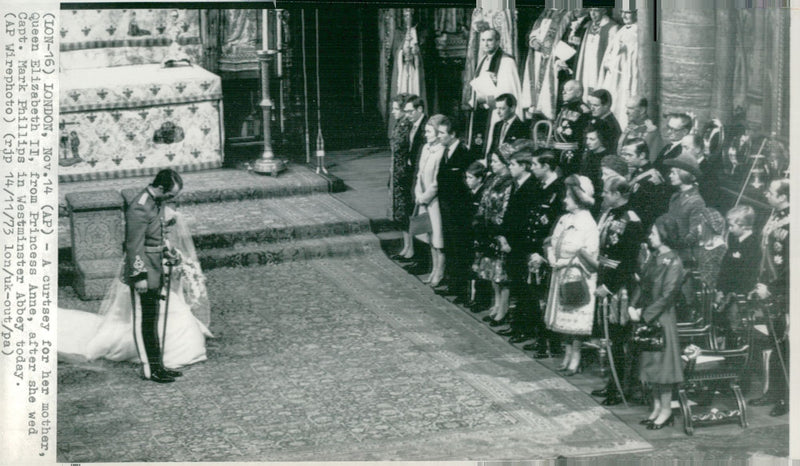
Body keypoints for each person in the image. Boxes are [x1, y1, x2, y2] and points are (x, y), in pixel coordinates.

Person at [58, 204, 212, 373]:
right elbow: (131, 276)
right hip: (147, 293)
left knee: (180, 319)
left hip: (164, 294)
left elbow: (173, 265)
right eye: (164, 226)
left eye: (169, 226)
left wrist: (181, 271)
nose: (167, 231)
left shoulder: (166, 245)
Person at [533, 174, 599, 376]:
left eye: (569, 197)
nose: (565, 200)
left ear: (579, 199)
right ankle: (567, 354)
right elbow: (552, 240)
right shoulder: (564, 219)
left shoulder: (588, 223)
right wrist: (552, 258)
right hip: (559, 272)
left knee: (574, 318)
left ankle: (576, 356)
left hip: (578, 276)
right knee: (562, 318)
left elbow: (590, 253)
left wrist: (564, 262)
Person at [588, 177, 645, 406]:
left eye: (607, 193)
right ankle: (612, 382)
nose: (604, 196)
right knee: (608, 337)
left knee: (619, 339)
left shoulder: (632, 221)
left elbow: (629, 261)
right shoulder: (611, 214)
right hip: (605, 277)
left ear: (619, 194)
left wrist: (609, 286)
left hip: (619, 286)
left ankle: (621, 387)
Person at [628, 214, 686, 430]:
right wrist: (633, 306)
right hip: (649, 316)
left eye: (653, 233)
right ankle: (655, 408)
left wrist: (645, 315)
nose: (650, 236)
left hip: (662, 319)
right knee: (650, 365)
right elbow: (643, 285)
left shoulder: (674, 261)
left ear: (664, 234)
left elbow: (668, 294)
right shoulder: (654, 257)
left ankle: (666, 411)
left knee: (663, 368)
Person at [749, 178, 790, 417]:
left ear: (784, 196)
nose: (767, 194)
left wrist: (773, 289)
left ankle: (786, 397)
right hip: (767, 287)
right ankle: (774, 391)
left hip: (784, 293)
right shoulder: (774, 216)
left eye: (771, 191)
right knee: (774, 344)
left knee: (785, 345)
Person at [494, 150, 541, 343]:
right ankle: (516, 325)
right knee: (515, 285)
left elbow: (525, 220)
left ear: (524, 166)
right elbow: (508, 213)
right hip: (510, 242)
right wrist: (503, 236)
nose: (510, 167)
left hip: (521, 245)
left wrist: (511, 242)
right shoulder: (516, 184)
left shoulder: (532, 187)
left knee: (523, 288)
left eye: (513, 164)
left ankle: (524, 328)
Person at [523, 150, 565, 359]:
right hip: (534, 246)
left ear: (546, 166)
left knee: (547, 297)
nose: (532, 168)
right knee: (535, 294)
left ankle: (551, 342)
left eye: (535, 164)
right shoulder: (539, 185)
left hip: (547, 250)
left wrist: (544, 251)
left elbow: (555, 223)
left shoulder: (560, 189)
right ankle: (541, 338)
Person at [473, 146, 515, 325]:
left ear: (506, 163)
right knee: (491, 271)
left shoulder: (510, 182)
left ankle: (503, 308)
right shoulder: (492, 178)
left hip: (499, 230)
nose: (492, 164)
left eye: (497, 161)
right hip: (488, 228)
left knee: (502, 274)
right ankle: (496, 304)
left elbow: (505, 209)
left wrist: (498, 231)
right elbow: (483, 200)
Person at [434, 115, 475, 302]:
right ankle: (452, 284)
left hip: (460, 210)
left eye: (442, 133)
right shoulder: (445, 151)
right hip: (446, 207)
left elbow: (465, 184)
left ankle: (462, 290)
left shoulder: (464, 154)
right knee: (450, 245)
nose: (439, 136)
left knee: (460, 248)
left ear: (453, 134)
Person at [466, 26, 523, 158]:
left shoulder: (507, 61)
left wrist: (487, 99)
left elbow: (508, 93)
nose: (485, 44)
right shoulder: (483, 60)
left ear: (498, 41)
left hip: (495, 112)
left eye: (489, 40)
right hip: (482, 110)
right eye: (483, 40)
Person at [716, 205, 761, 343]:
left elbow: (749, 272)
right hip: (728, 292)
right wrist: (720, 289)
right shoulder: (734, 240)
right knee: (728, 324)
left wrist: (734, 292)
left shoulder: (753, 244)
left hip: (740, 294)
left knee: (737, 326)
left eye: (732, 226)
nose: (729, 229)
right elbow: (725, 267)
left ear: (744, 226)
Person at [520, 7, 572, 121]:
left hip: (553, 60)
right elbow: (532, 31)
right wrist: (532, 40)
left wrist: (560, 57)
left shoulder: (568, 13)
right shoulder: (545, 11)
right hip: (536, 57)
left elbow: (569, 37)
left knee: (547, 92)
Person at [414, 114, 447, 287]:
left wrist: (426, 196)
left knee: (438, 238)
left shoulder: (441, 150)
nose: (425, 134)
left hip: (434, 201)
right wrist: (418, 193)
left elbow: (437, 180)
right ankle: (433, 269)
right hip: (423, 199)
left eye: (428, 131)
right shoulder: (426, 148)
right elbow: (420, 173)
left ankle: (440, 271)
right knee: (429, 235)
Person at [597, 8, 638, 129]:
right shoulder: (623, 29)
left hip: (625, 76)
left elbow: (633, 57)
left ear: (636, 13)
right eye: (622, 12)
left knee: (621, 103)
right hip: (613, 75)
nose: (624, 15)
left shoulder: (637, 31)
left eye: (628, 12)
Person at [663, 153, 706, 265]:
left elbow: (693, 236)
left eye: (673, 173)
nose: (670, 176)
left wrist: (671, 243)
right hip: (670, 250)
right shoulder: (675, 196)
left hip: (683, 257)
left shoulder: (696, 201)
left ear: (684, 174)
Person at [388, 94, 416, 262]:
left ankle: (411, 248)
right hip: (396, 173)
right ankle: (406, 246)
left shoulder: (407, 126)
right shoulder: (399, 124)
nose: (393, 112)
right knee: (400, 213)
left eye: (396, 109)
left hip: (404, 174)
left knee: (405, 212)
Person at [619, 138, 669, 231]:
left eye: (629, 155)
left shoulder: (652, 178)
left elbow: (651, 212)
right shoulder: (636, 170)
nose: (625, 158)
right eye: (624, 155)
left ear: (642, 155)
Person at [574, 8, 618, 100]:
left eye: (596, 11)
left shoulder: (612, 27)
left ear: (604, 10)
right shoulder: (589, 25)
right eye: (591, 11)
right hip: (586, 66)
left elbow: (612, 51)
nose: (592, 14)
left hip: (599, 68)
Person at [464, 161, 491, 311]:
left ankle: (481, 300)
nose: (468, 181)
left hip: (480, 235)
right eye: (467, 178)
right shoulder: (471, 192)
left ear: (480, 179)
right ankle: (472, 297)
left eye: (471, 178)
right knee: (473, 267)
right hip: (471, 234)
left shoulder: (482, 194)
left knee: (480, 268)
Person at [391, 9, 427, 105]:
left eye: (411, 15)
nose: (408, 18)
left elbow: (426, 54)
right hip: (403, 71)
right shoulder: (399, 32)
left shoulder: (422, 32)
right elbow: (395, 53)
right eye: (406, 15)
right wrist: (402, 54)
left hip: (416, 71)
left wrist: (417, 54)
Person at [681, 133, 722, 210]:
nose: (682, 152)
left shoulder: (708, 172)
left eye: (686, 148)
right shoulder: (683, 165)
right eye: (681, 148)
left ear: (698, 149)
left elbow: (707, 202)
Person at [616, 96, 662, 161]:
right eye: (627, 108)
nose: (627, 112)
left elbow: (653, 159)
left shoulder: (652, 131)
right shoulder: (629, 127)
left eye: (631, 108)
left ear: (642, 110)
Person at [487, 94, 529, 163]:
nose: (498, 112)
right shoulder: (497, 125)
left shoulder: (522, 127)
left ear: (512, 108)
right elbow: (492, 149)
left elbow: (520, 154)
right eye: (497, 108)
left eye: (502, 108)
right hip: (495, 166)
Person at [694, 207, 727, 292]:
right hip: (699, 291)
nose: (697, 227)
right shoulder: (701, 246)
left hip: (711, 294)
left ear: (708, 227)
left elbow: (722, 275)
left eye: (700, 224)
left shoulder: (720, 249)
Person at [654, 113, 692, 178]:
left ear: (685, 132)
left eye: (674, 129)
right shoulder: (668, 146)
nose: (669, 131)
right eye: (668, 127)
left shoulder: (683, 151)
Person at [586, 89, 622, 154]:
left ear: (606, 106)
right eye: (591, 105)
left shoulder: (610, 125)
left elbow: (609, 151)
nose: (592, 108)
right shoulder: (596, 119)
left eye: (596, 105)